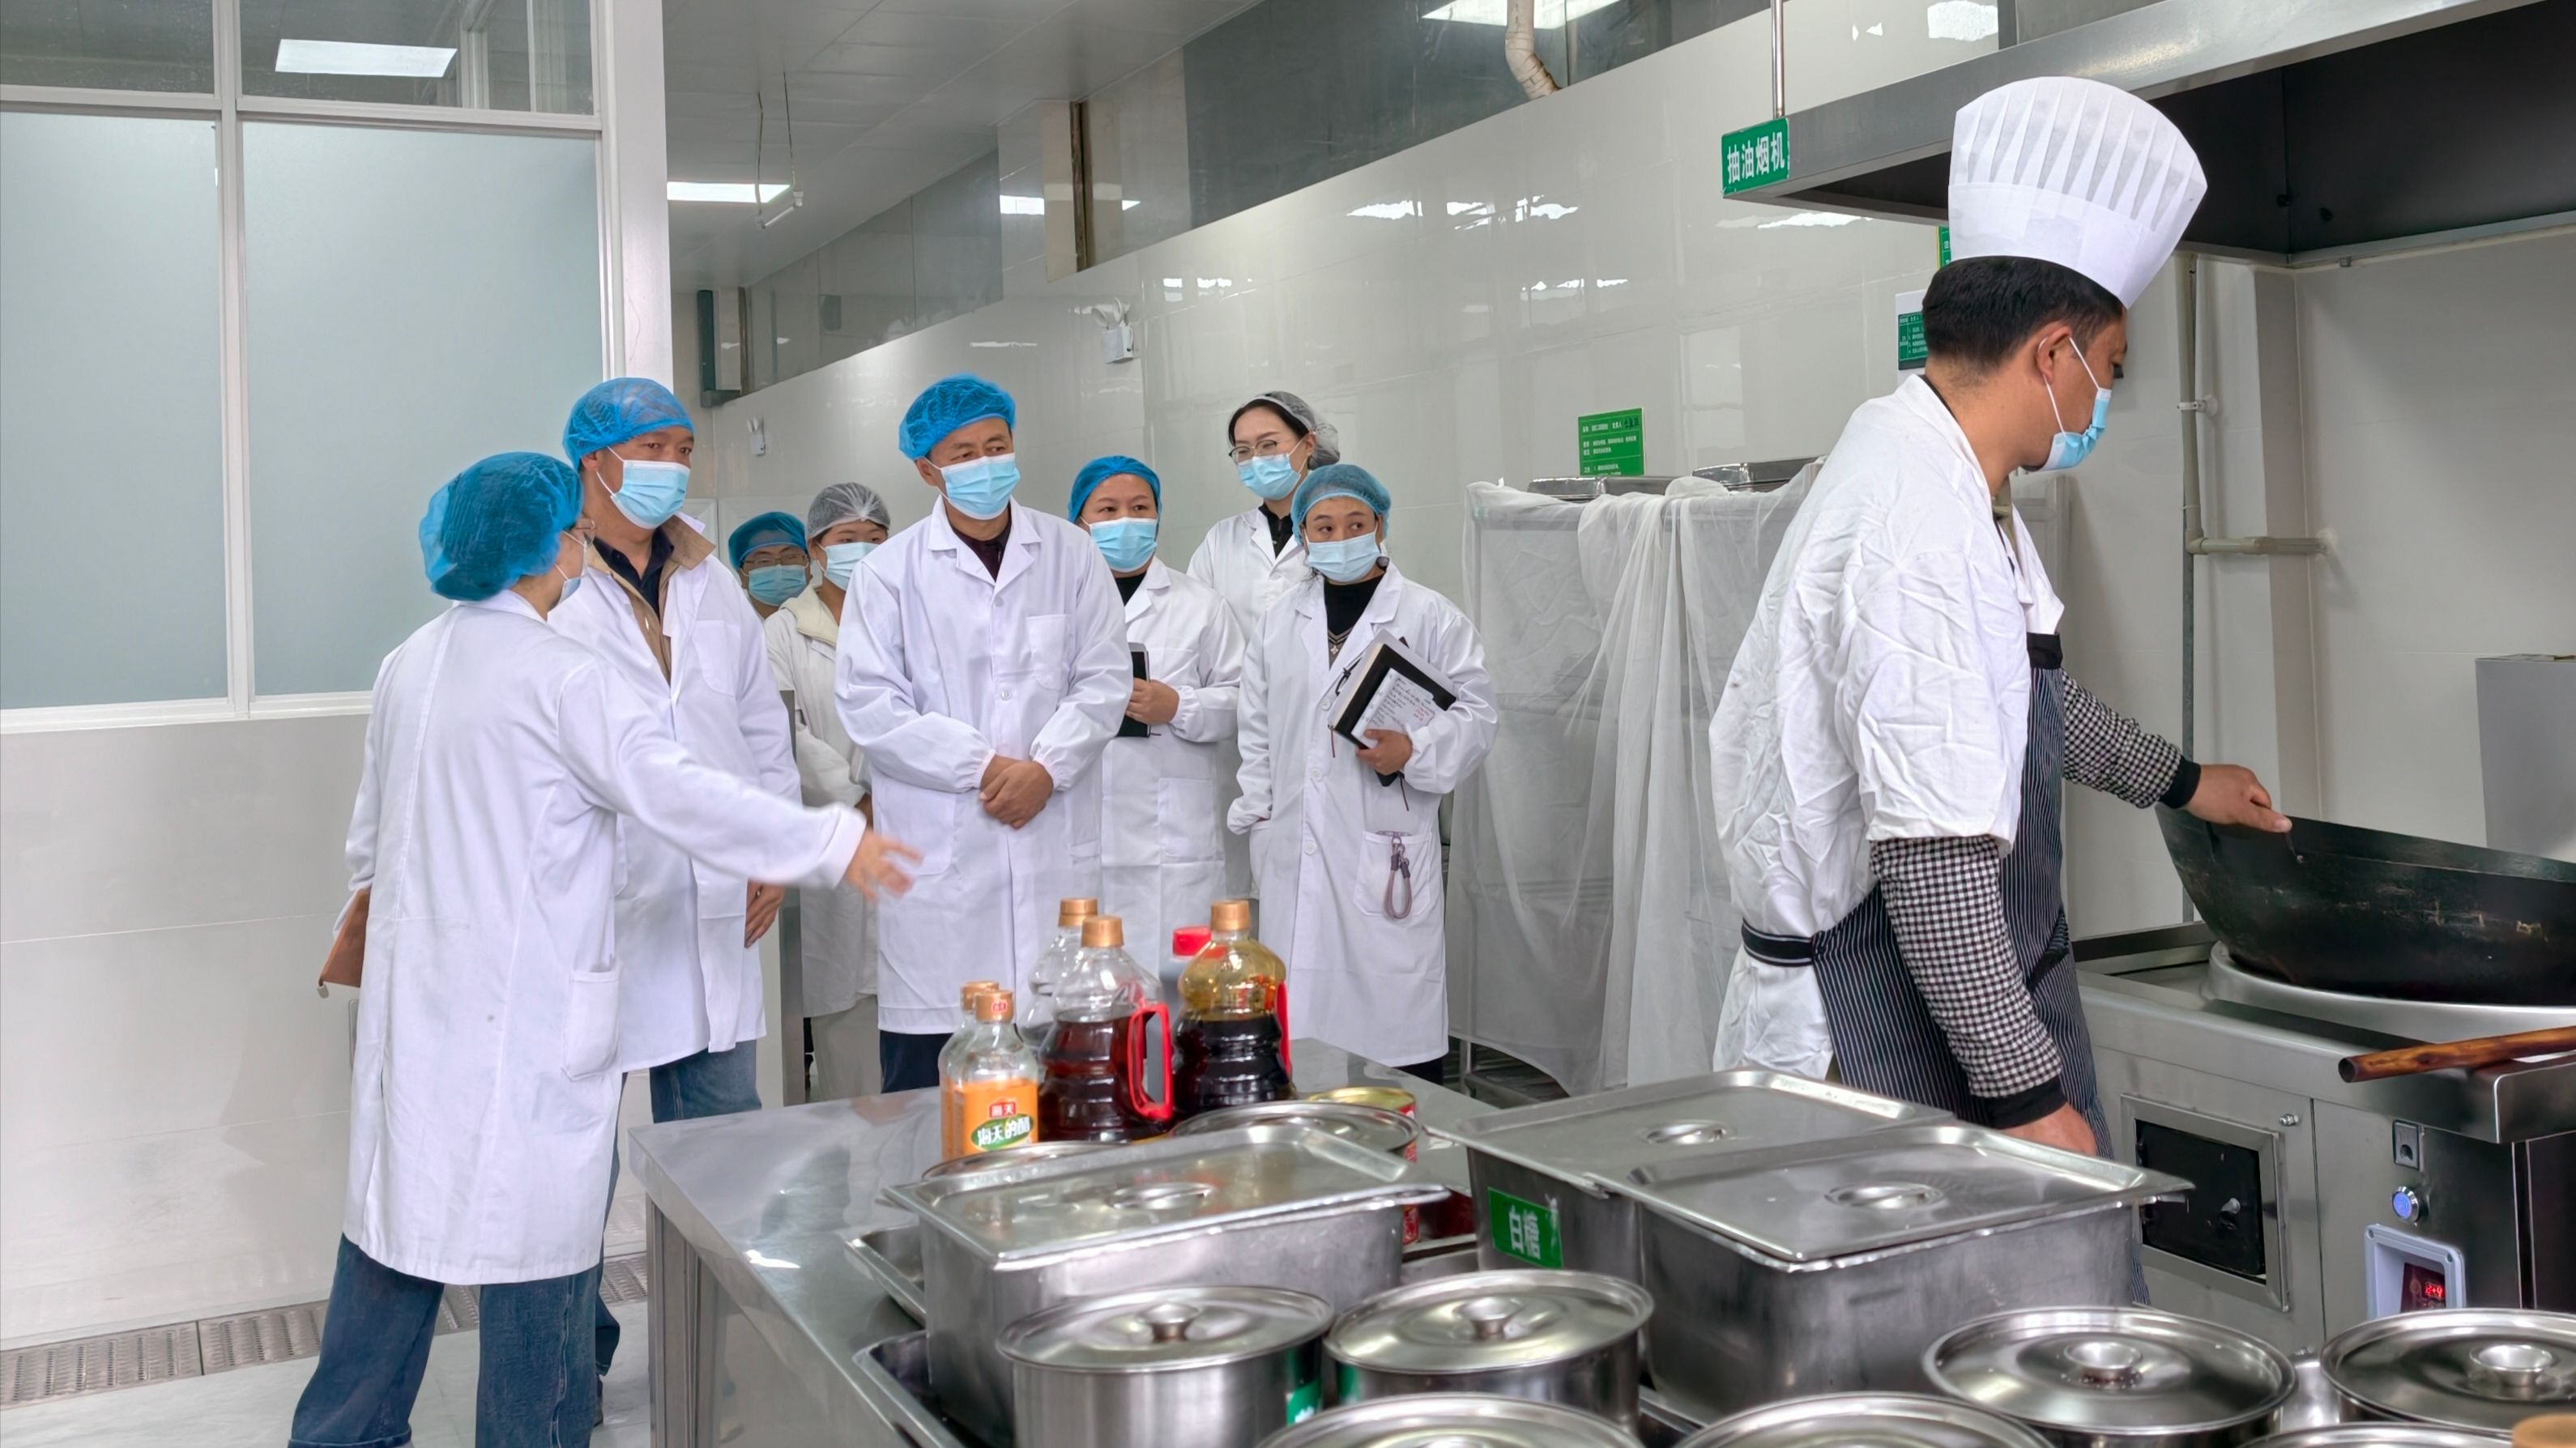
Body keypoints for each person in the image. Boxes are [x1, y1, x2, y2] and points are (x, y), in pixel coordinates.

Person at [1708, 77, 2291, 1161]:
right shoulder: (1916, 528)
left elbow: (2019, 699)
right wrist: (2027, 1095)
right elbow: (1933, 863)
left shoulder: (1937, 471)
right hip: (1883, 1020)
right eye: (2108, 371)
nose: (2103, 399)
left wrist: (2179, 780)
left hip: (1933, 996)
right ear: (2052, 354)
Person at [291, 454, 914, 1448]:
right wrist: (831, 841)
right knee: (540, 1252)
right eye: (576, 532)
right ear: (549, 549)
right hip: (526, 1013)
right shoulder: (561, 676)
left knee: (396, 1227)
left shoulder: (413, 659)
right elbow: (679, 793)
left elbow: (372, 840)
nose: (584, 547)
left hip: (424, 1009)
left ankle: (343, 1435)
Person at [546, 376, 795, 1382]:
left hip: (715, 898)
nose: (673, 467)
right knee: (573, 1163)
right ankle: (570, 1364)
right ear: (594, 461)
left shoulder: (709, 573)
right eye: (652, 448)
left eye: (683, 449)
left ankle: (712, 1357)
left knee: (722, 1150)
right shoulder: (550, 575)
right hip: (594, 905)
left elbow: (758, 721)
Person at [836, 375, 1129, 1091]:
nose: (985, 464)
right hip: (944, 883)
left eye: (996, 446)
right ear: (927, 470)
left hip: (1052, 846)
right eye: (963, 453)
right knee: (934, 1100)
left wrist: (1046, 769)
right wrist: (986, 768)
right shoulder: (887, 573)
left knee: (1068, 1092)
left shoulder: (1071, 553)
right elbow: (871, 705)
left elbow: (1104, 679)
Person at [1229, 462, 1496, 1082]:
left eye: (1356, 523)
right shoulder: (1280, 620)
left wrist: (1415, 750)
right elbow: (1256, 729)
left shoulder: (1429, 616)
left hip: (1382, 840)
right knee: (1302, 1030)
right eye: (1323, 526)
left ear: (1380, 525)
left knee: (1391, 1026)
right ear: (1304, 536)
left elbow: (1479, 715)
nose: (1341, 536)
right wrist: (1261, 814)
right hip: (1293, 844)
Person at [1069, 454, 1245, 999]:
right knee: (1089, 996)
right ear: (1080, 521)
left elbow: (1244, 701)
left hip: (1173, 840)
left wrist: (1179, 706)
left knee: (1177, 995)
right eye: (1108, 509)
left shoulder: (1201, 606)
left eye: (1140, 507)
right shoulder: (1054, 607)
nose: (1126, 520)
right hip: (1080, 823)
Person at [762, 481, 895, 1099]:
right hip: (834, 835)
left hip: (907, 823)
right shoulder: (785, 631)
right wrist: (855, 798)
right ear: (817, 548)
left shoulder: (912, 617)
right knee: (848, 1020)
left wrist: (888, 792)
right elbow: (782, 729)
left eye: (875, 538)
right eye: (847, 539)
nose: (862, 549)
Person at [1189, 390, 1338, 899]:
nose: (1257, 459)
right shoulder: (1221, 540)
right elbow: (1193, 630)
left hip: (1316, 725)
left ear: (1307, 444)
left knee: (1314, 890)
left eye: (1269, 444)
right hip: (1236, 733)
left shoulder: (1341, 533)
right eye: (1243, 450)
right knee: (1241, 894)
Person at [728, 509, 809, 619]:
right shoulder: (728, 623)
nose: (779, 567)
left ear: (808, 565)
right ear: (742, 575)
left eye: (790, 556)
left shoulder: (830, 620)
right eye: (763, 561)